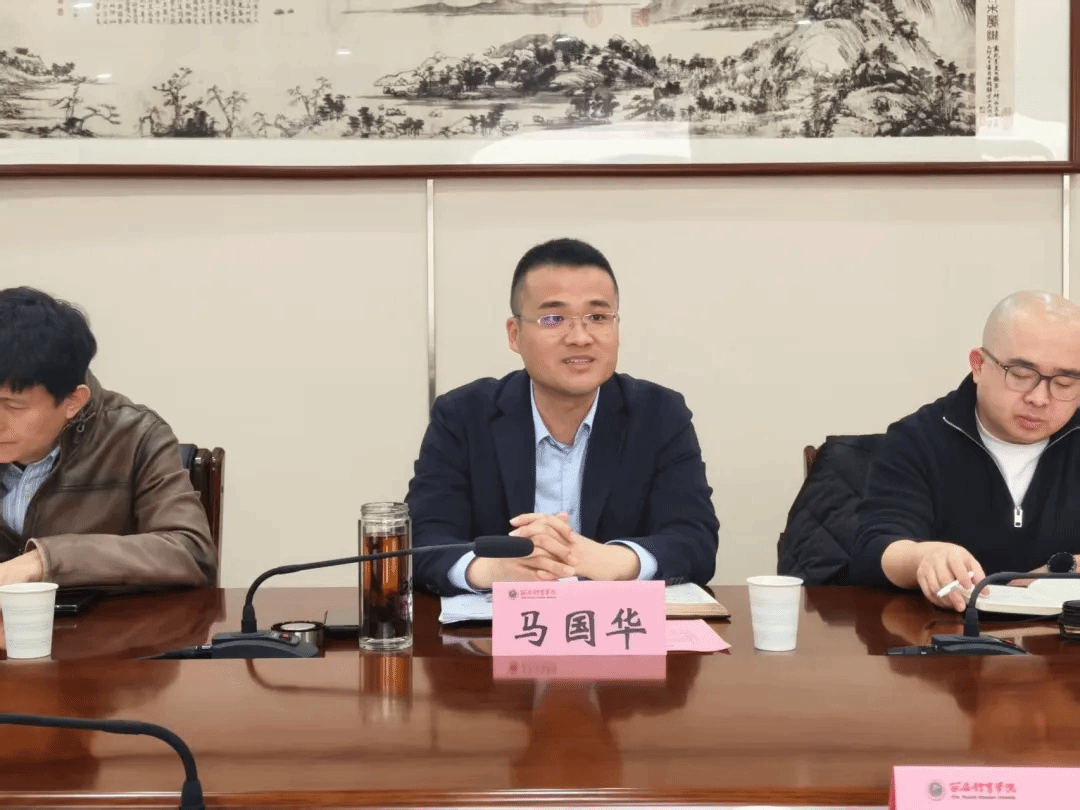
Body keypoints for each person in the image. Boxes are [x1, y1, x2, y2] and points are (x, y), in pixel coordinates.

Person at [407, 238, 719, 595]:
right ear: (515, 334)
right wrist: (492, 570)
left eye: (598, 317)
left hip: (616, 627)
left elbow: (694, 539)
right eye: (554, 318)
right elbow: (422, 537)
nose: (580, 337)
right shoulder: (463, 416)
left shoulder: (659, 414)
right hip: (493, 628)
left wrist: (614, 561)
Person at [851, 291, 1080, 611]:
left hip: (1064, 634)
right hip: (942, 630)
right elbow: (875, 547)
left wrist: (1066, 568)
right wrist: (923, 558)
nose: (1040, 398)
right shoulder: (917, 438)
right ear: (979, 365)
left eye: (1064, 383)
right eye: (1021, 375)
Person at [0, 287, 216, 588]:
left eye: (12, 406)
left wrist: (44, 561)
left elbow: (190, 554)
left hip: (101, 618)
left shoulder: (136, 437)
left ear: (72, 401)